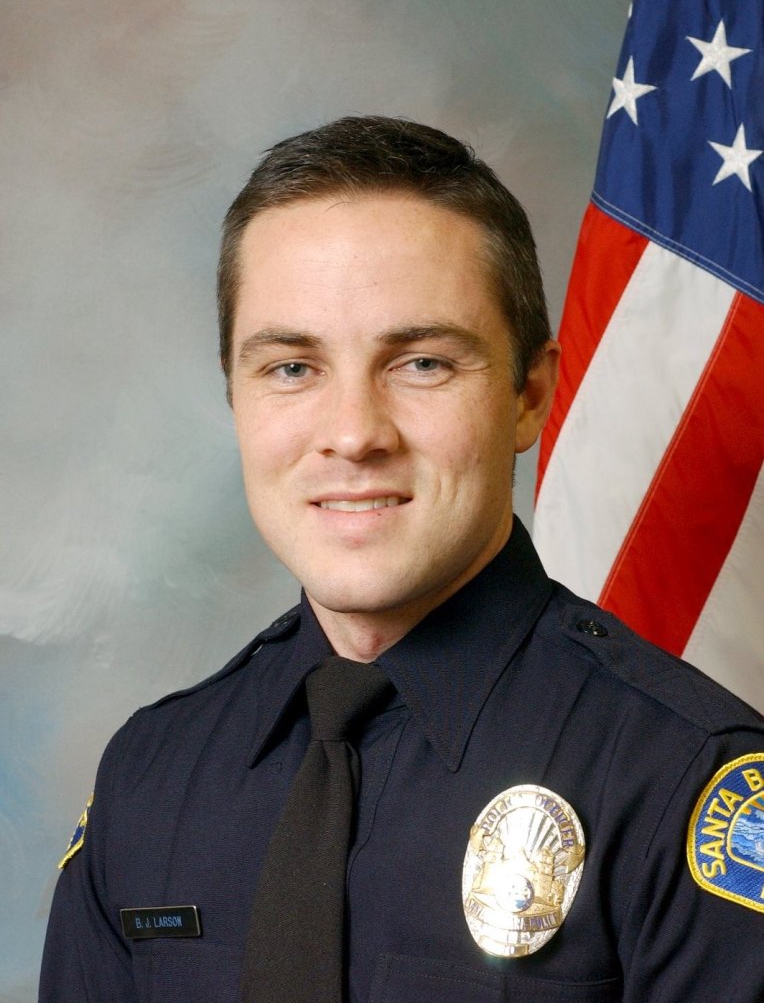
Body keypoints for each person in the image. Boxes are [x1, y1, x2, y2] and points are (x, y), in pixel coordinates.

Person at [40, 116, 764, 1003]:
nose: (354, 434)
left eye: (421, 363)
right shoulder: (152, 778)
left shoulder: (682, 783)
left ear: (530, 396)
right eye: (292, 368)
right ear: (235, 395)